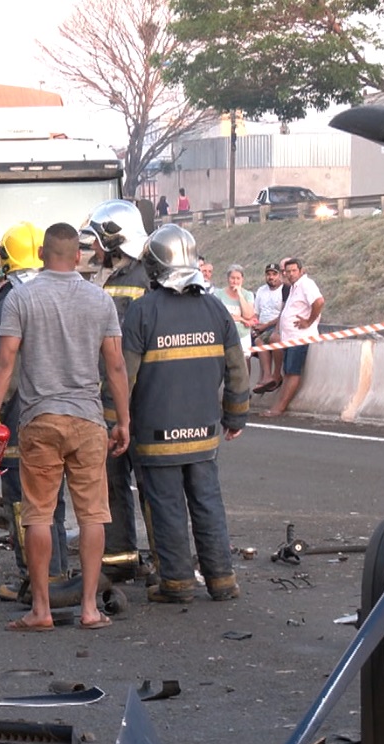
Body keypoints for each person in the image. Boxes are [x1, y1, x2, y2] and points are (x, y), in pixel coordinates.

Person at [0, 222, 130, 632]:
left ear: (43, 254)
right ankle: (89, 610)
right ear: (78, 256)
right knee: (93, 516)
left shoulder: (22, 299)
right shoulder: (100, 300)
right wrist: (124, 421)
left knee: (39, 516)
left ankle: (41, 610)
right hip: (87, 420)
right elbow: (116, 365)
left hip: (40, 420)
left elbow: (5, 363)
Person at [122, 224, 250, 603]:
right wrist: (235, 417)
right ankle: (222, 580)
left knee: (167, 506)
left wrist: (115, 424)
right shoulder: (216, 309)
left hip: (156, 435)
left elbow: (122, 377)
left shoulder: (141, 312)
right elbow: (238, 370)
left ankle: (177, 583)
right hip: (204, 434)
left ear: (154, 267)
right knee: (208, 502)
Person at [0, 222, 69, 602]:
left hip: (18, 418)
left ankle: (34, 580)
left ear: (5, 262)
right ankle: (58, 573)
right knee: (54, 500)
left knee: (23, 502)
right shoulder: (57, 293)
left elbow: (2, 365)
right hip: (60, 411)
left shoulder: (11, 302)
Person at [80, 198, 149, 583]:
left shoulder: (122, 286)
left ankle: (121, 558)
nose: (93, 250)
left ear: (113, 241)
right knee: (150, 485)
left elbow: (113, 354)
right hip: (145, 400)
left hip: (118, 398)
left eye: (97, 243)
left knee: (114, 478)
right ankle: (153, 557)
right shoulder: (144, 277)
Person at [267, 257, 324, 416]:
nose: (290, 274)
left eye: (293, 271)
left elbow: (319, 302)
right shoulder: (293, 287)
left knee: (292, 372)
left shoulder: (306, 284)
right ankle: (278, 405)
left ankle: (279, 408)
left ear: (301, 271)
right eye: (287, 271)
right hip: (290, 337)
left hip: (300, 337)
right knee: (288, 371)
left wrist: (309, 321)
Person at [252, 262, 285, 393]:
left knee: (262, 340)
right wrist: (254, 326)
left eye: (274, 274)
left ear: (280, 275)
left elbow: (283, 315)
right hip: (261, 327)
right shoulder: (261, 290)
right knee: (253, 341)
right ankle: (264, 377)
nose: (271, 277)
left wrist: (265, 326)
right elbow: (256, 313)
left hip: (275, 327)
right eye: (268, 274)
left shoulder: (284, 290)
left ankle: (272, 375)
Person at [218, 264, 258, 354]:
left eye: (238, 278)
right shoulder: (218, 294)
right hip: (225, 334)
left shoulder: (248, 295)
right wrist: (240, 319)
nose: (235, 281)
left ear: (242, 279)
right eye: (232, 278)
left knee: (244, 361)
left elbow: (248, 315)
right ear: (228, 278)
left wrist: (240, 294)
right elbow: (220, 316)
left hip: (243, 334)